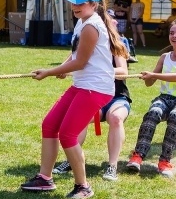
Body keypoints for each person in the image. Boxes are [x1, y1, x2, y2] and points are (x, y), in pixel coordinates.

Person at [20, 0, 120, 199]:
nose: (75, 6)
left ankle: (83, 186)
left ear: (93, 4)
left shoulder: (91, 26)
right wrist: (64, 67)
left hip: (95, 87)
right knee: (50, 124)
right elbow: (76, 55)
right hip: (82, 84)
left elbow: (81, 62)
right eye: (74, 2)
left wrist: (49, 71)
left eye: (80, 3)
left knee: (68, 134)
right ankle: (45, 178)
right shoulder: (83, 22)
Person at [52, 12, 132, 181]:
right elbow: (71, 61)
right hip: (91, 93)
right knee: (79, 117)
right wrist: (62, 70)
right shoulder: (86, 39)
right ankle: (71, 160)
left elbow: (123, 72)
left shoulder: (116, 44)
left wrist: (97, 71)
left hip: (117, 98)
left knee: (116, 118)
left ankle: (112, 166)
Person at [127, 20, 176, 177]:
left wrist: (154, 75)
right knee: (152, 113)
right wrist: (147, 77)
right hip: (165, 98)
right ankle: (138, 156)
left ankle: (165, 161)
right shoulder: (164, 57)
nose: (174, 35)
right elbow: (149, 84)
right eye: (171, 33)